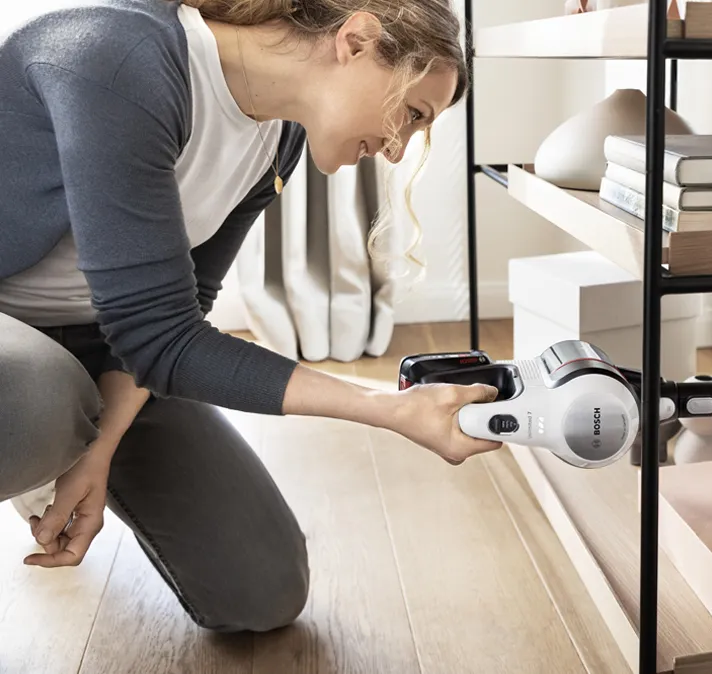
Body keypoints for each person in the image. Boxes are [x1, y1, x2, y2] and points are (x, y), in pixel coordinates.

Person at [0, 0, 501, 633]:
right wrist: (389, 409)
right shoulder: (121, 56)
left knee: (262, 590)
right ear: (357, 40)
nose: (399, 150)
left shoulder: (278, 141)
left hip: (109, 347)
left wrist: (97, 451)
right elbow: (162, 339)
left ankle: (58, 439)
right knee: (33, 405)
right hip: (15, 338)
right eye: (412, 113)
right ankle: (41, 440)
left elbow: (181, 309)